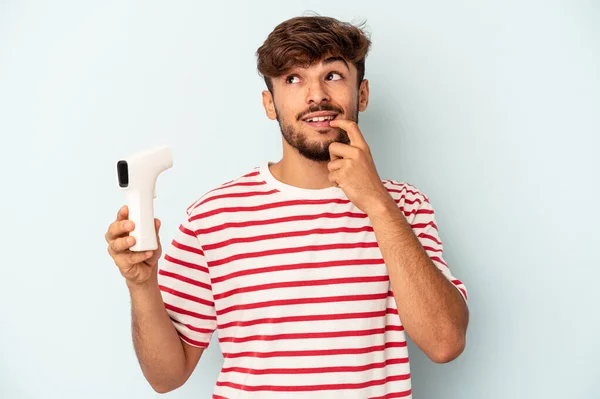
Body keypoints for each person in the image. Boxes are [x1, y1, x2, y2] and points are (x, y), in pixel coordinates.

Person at [105, 15, 469, 399]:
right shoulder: (213, 217)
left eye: (332, 75)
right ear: (269, 103)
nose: (316, 95)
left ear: (361, 94)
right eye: (294, 79)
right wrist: (142, 286)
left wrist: (378, 203)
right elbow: (167, 377)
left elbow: (445, 342)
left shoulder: (406, 206)